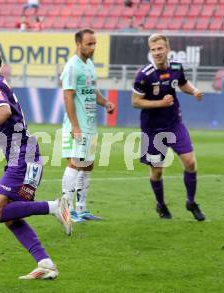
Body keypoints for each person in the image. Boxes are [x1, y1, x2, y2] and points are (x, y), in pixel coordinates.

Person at [0, 43, 72, 280]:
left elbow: (4, 112)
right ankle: (46, 264)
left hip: (23, 158)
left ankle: (54, 206)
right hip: (23, 158)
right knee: (10, 217)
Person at [132, 33, 205, 221]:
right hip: (152, 129)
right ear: (150, 51)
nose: (157, 52)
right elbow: (136, 102)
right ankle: (161, 205)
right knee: (157, 170)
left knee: (190, 162)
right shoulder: (144, 74)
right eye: (153, 49)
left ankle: (191, 202)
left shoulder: (176, 67)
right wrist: (160, 104)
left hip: (174, 124)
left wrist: (194, 90)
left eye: (160, 49)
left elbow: (182, 83)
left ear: (167, 49)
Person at [60, 29, 115, 223]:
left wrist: (105, 102)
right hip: (78, 126)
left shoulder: (89, 64)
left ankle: (81, 209)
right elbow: (67, 96)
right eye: (89, 44)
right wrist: (75, 126)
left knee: (87, 165)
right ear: (78, 44)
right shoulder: (72, 67)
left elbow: (92, 90)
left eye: (94, 44)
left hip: (90, 125)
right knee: (75, 164)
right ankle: (66, 210)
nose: (92, 47)